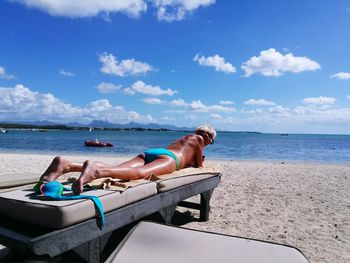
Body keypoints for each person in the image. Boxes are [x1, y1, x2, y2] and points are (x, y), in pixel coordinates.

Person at [40, 125, 216, 195]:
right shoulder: (199, 139)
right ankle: (95, 171)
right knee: (139, 174)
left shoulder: (184, 138)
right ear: (208, 136)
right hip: (170, 159)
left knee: (118, 168)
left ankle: (67, 165)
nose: (209, 143)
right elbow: (199, 165)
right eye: (212, 141)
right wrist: (199, 161)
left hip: (153, 152)